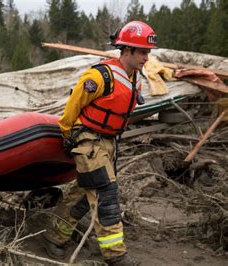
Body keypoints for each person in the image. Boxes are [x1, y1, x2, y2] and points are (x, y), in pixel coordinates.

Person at [42, 21, 157, 265]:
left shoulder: (135, 78)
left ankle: (54, 236)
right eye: (143, 52)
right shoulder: (99, 76)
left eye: (148, 52)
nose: (147, 58)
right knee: (105, 194)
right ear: (127, 50)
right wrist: (67, 136)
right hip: (88, 141)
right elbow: (72, 107)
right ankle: (116, 256)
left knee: (84, 193)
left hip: (108, 144)